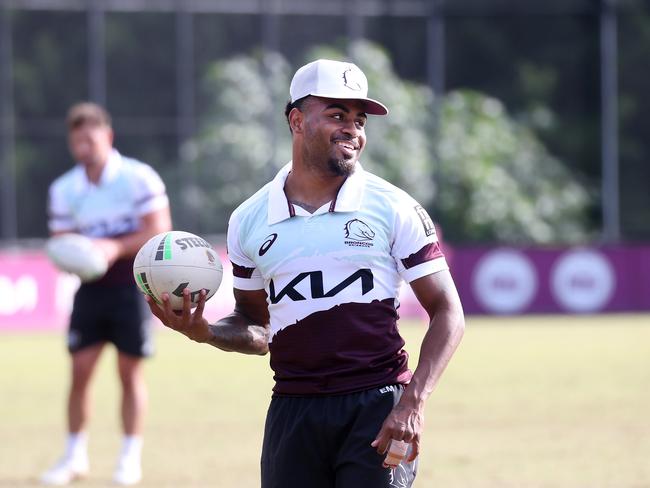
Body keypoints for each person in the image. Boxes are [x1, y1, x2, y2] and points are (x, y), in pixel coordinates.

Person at [147, 59, 465, 488]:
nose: (352, 128)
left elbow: (448, 311)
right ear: (297, 120)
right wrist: (204, 332)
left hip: (377, 406)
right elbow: (257, 328)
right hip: (293, 411)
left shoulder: (394, 207)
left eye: (359, 119)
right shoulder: (249, 219)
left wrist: (413, 404)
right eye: (337, 114)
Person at [41, 102, 172, 486]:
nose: (84, 146)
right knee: (79, 370)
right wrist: (73, 255)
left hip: (132, 285)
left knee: (129, 372)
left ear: (107, 137)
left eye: (90, 138)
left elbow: (158, 229)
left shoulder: (138, 177)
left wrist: (112, 248)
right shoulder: (64, 188)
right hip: (90, 288)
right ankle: (73, 456)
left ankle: (129, 458)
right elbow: (63, 241)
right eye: (77, 140)